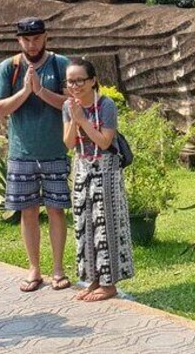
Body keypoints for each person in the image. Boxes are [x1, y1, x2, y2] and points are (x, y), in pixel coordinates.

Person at [0, 17, 71, 292]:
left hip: (54, 150)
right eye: (26, 39)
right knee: (28, 213)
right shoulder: (9, 67)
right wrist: (26, 91)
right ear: (19, 41)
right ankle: (34, 268)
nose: (32, 44)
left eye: (36, 38)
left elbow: (71, 103)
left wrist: (41, 91)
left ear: (46, 37)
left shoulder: (61, 64)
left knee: (56, 210)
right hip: (21, 153)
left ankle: (59, 269)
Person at [62, 57, 134, 301]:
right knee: (84, 224)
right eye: (70, 81)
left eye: (80, 80)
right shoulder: (67, 107)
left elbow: (104, 141)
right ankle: (92, 280)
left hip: (106, 170)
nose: (75, 86)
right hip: (82, 167)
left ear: (93, 81)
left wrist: (82, 119)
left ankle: (109, 284)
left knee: (106, 226)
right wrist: (74, 118)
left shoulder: (106, 105)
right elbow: (69, 143)